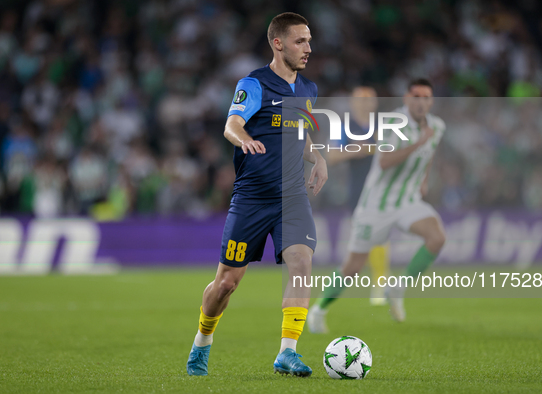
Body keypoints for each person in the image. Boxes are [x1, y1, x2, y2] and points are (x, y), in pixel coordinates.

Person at [186, 12, 327, 377]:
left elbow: (302, 133)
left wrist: (319, 157)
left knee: (302, 264)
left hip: (292, 196)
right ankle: (202, 341)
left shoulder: (308, 90)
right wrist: (244, 139)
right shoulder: (254, 84)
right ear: (277, 44)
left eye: (309, 40)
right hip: (252, 198)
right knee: (226, 284)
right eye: (300, 41)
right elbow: (232, 124)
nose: (308, 48)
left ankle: (287, 352)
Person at [308, 78, 445, 332]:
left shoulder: (436, 126)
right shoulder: (390, 122)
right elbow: (382, 161)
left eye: (426, 97)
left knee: (436, 237)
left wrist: (423, 178)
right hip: (373, 202)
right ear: (406, 98)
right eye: (416, 96)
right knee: (353, 265)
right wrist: (414, 143)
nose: (421, 102)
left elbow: (431, 151)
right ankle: (319, 310)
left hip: (406, 199)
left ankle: (395, 287)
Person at [324, 86, 390, 307]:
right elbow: (331, 156)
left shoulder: (383, 127)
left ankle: (380, 284)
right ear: (352, 103)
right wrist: (361, 149)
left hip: (381, 189)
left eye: (368, 100)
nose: (364, 104)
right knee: (360, 243)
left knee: (381, 236)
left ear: (375, 103)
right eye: (360, 100)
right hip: (357, 192)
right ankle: (335, 289)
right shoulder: (344, 127)